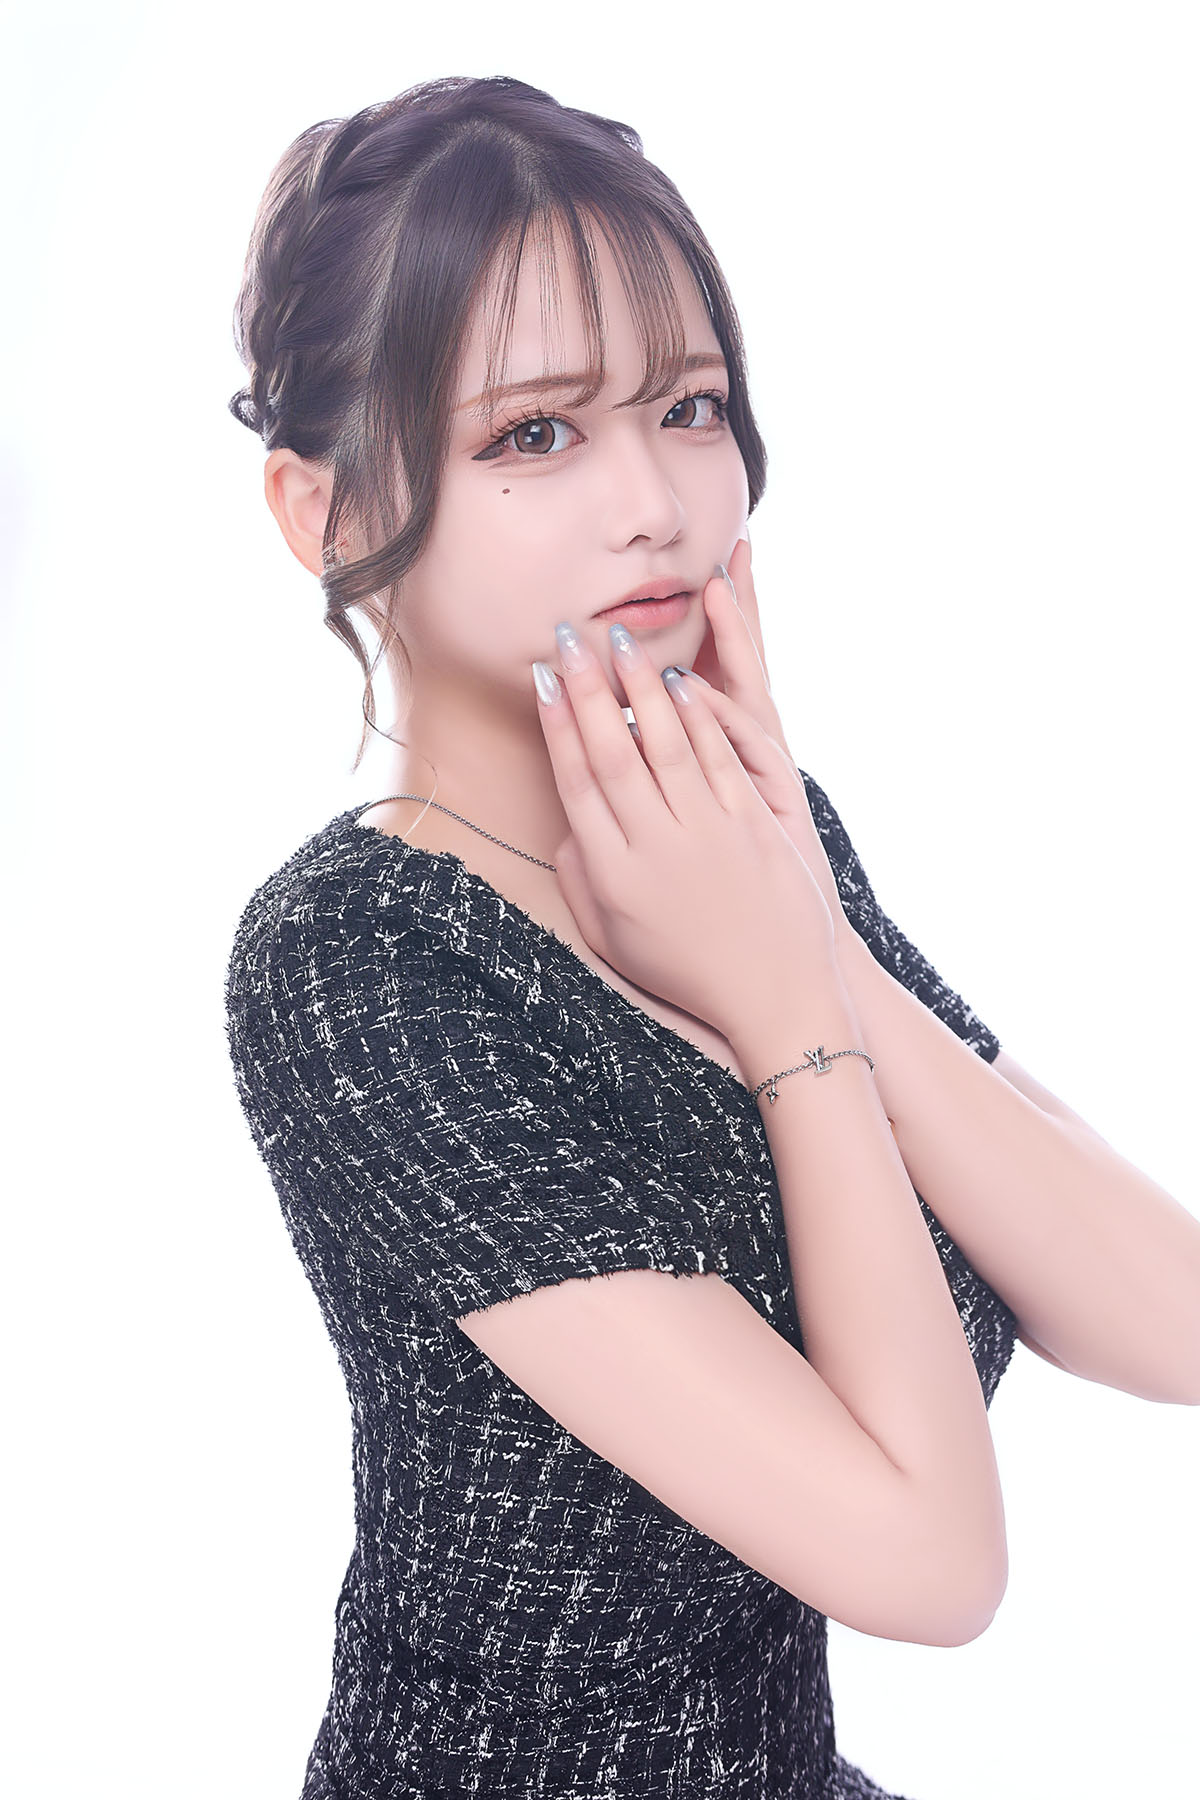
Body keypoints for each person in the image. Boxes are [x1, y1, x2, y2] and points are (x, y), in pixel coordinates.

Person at [223, 74, 1200, 1800]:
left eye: (687, 407)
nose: (656, 504)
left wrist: (801, 928)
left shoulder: (753, 841)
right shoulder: (360, 961)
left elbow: (1172, 1317)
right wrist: (784, 1005)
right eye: (535, 435)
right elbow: (928, 1564)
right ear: (328, 513)